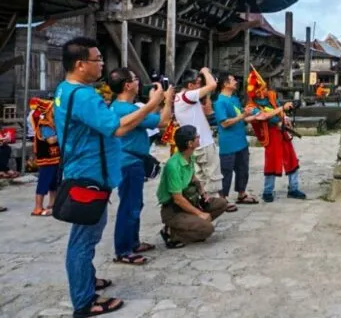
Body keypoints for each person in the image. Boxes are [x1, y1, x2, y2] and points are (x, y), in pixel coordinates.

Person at [54, 37, 165, 318]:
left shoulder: (66, 91)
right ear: (80, 65)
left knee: (89, 232)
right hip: (89, 174)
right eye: (97, 59)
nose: (102, 64)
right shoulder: (84, 96)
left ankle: (87, 281)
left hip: (86, 170)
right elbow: (115, 128)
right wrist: (152, 103)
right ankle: (84, 301)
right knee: (83, 240)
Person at [107, 68, 174, 265]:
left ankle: (133, 242)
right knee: (129, 206)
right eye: (135, 78)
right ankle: (124, 249)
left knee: (135, 203)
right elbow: (163, 122)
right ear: (127, 85)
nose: (139, 82)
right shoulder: (125, 109)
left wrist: (154, 102)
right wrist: (167, 100)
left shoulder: (120, 107)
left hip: (130, 160)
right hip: (129, 163)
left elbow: (143, 118)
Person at [157, 125, 228, 248]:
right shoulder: (173, 166)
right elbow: (177, 199)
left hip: (190, 200)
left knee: (221, 203)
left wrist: (202, 193)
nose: (199, 138)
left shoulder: (190, 157)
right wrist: (199, 214)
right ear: (190, 143)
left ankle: (194, 226)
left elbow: (193, 178)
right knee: (207, 230)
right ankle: (172, 233)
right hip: (174, 209)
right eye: (197, 137)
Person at [245, 69, 306, 202]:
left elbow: (278, 108)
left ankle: (293, 188)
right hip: (270, 134)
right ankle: (267, 191)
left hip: (282, 131)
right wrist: (282, 109)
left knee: (291, 158)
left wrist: (285, 117)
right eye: (261, 89)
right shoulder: (251, 106)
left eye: (264, 88)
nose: (264, 91)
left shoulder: (271, 96)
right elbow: (264, 116)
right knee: (272, 161)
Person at [214, 72, 259, 210]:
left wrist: (257, 116)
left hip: (241, 140)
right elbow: (224, 123)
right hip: (228, 143)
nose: (235, 82)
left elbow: (242, 118)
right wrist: (244, 115)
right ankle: (223, 199)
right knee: (226, 171)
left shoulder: (234, 99)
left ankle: (242, 194)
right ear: (225, 84)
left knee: (242, 169)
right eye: (233, 80)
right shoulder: (220, 102)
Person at [174, 68, 223, 195]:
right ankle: (212, 205)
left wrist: (206, 93)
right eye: (198, 83)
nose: (201, 86)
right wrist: (205, 72)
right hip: (204, 144)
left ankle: (201, 204)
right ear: (190, 85)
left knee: (200, 179)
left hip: (195, 145)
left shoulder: (179, 97)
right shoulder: (188, 95)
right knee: (212, 179)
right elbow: (212, 85)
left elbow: (207, 110)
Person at [29, 97, 60, 216]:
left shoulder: (52, 123)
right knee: (44, 182)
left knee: (54, 182)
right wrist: (61, 135)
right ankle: (38, 207)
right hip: (46, 159)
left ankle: (52, 204)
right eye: (53, 109)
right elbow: (51, 140)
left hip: (55, 157)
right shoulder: (45, 124)